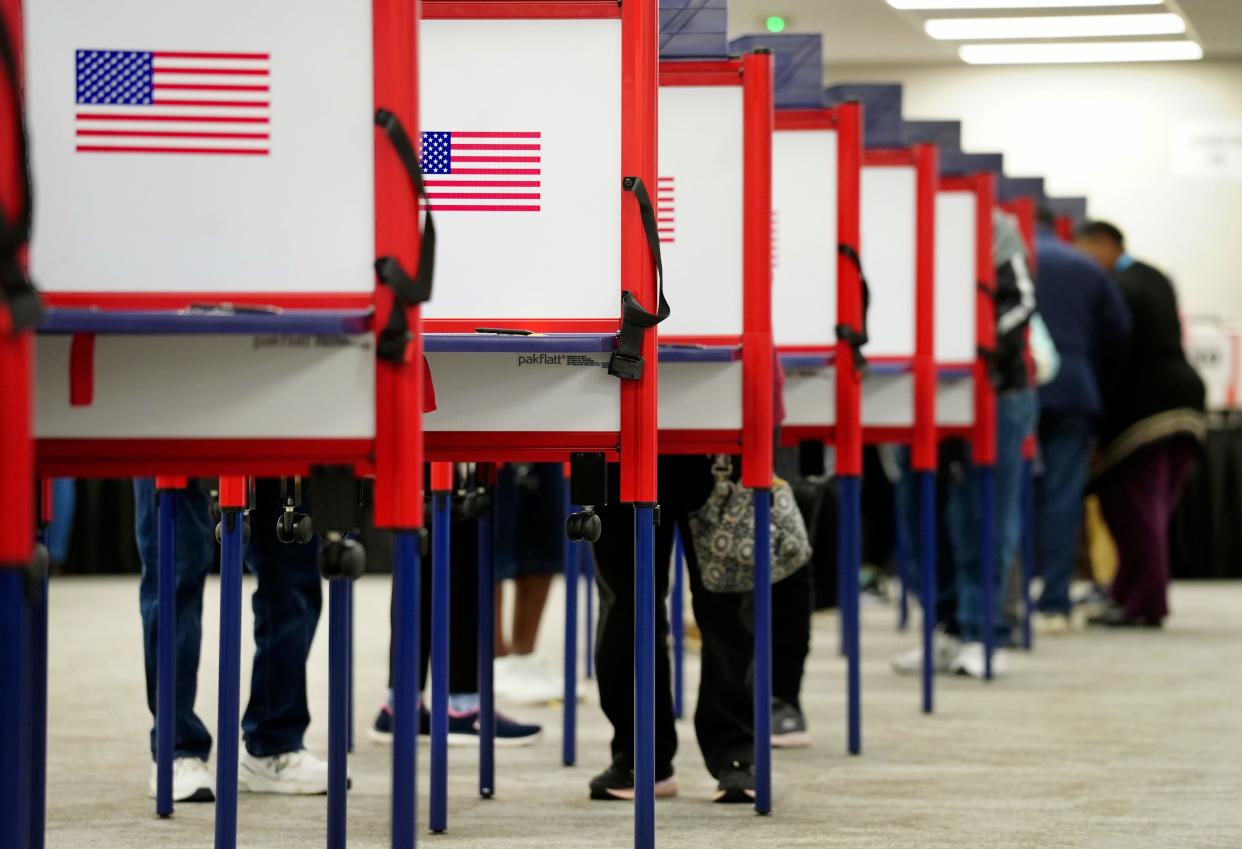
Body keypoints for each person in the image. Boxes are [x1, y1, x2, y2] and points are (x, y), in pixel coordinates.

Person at [891, 209, 1039, 677]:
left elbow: (1020, 302)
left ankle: (983, 632)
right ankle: (947, 627)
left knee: (983, 513)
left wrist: (971, 354)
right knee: (920, 513)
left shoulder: (990, 223)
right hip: (914, 389)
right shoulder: (888, 211)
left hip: (992, 389)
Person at [134, 478, 329, 803]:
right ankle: (175, 748)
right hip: (169, 430)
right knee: (175, 568)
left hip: (277, 430)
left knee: (292, 571)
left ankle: (273, 744)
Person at [589, 455, 756, 804]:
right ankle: (639, 752)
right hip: (615, 432)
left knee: (727, 600)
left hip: (716, 431)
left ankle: (736, 749)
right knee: (625, 600)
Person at [1075, 221, 1205, 627]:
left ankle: (1146, 603)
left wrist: (1099, 413)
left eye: (1084, 248)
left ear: (1104, 243)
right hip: (1184, 399)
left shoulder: (1117, 286)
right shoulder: (1153, 276)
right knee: (1152, 509)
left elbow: (1116, 354)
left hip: (1143, 409)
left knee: (1134, 509)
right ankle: (1128, 594)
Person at [1031, 209, 1131, 633]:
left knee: (1009, 494)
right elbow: (1118, 331)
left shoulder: (993, 253)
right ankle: (1054, 600)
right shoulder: (1083, 265)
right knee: (1062, 497)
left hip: (1015, 388)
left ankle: (1005, 599)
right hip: (1073, 391)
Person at [492, 463, 569, 706]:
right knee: (490, 539)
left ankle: (524, 657)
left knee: (545, 540)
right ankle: (494, 661)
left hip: (549, 431)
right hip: (485, 434)